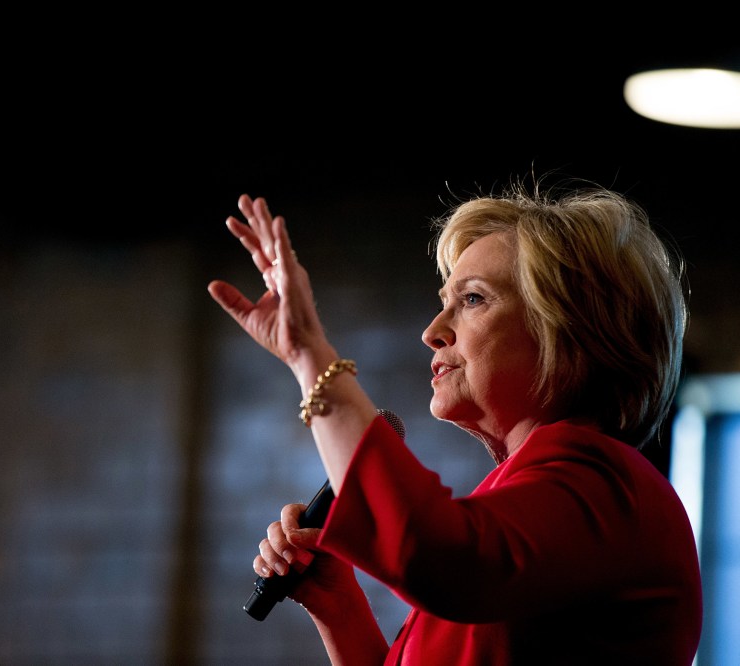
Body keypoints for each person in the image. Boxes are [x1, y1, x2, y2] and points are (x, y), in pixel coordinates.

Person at [206, 178, 703, 665]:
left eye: (473, 299)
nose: (432, 331)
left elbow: (434, 555)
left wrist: (309, 353)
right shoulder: (518, 496)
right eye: (445, 302)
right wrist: (338, 606)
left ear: (571, 327)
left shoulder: (605, 485)